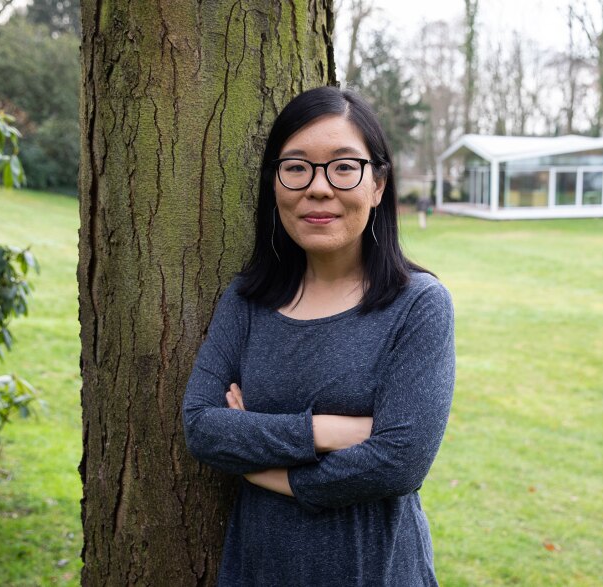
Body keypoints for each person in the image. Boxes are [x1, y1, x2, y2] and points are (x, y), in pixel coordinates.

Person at [182, 85, 455, 586]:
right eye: (297, 167)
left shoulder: (418, 304)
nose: (319, 188)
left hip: (373, 569)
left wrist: (263, 468)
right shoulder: (246, 301)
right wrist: (329, 432)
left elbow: (399, 464)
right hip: (260, 570)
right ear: (275, 184)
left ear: (377, 185)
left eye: (344, 166)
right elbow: (203, 427)